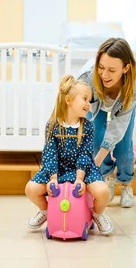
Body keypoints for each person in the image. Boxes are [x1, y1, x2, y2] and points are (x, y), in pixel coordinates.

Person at [25, 75, 113, 235]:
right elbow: (50, 153)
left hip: (83, 169)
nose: (88, 104)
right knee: (31, 189)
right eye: (85, 99)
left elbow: (85, 154)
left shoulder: (88, 126)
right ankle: (46, 211)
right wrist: (53, 178)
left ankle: (97, 214)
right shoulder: (53, 125)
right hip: (57, 169)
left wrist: (80, 177)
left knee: (103, 192)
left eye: (89, 100)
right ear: (68, 100)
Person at [77, 38, 136, 208]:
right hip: (97, 102)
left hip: (124, 104)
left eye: (112, 70)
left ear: (125, 68)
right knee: (96, 137)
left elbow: (119, 125)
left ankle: (126, 184)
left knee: (124, 146)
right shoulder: (87, 79)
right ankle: (108, 177)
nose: (104, 75)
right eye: (101, 67)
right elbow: (78, 114)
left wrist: (96, 161)